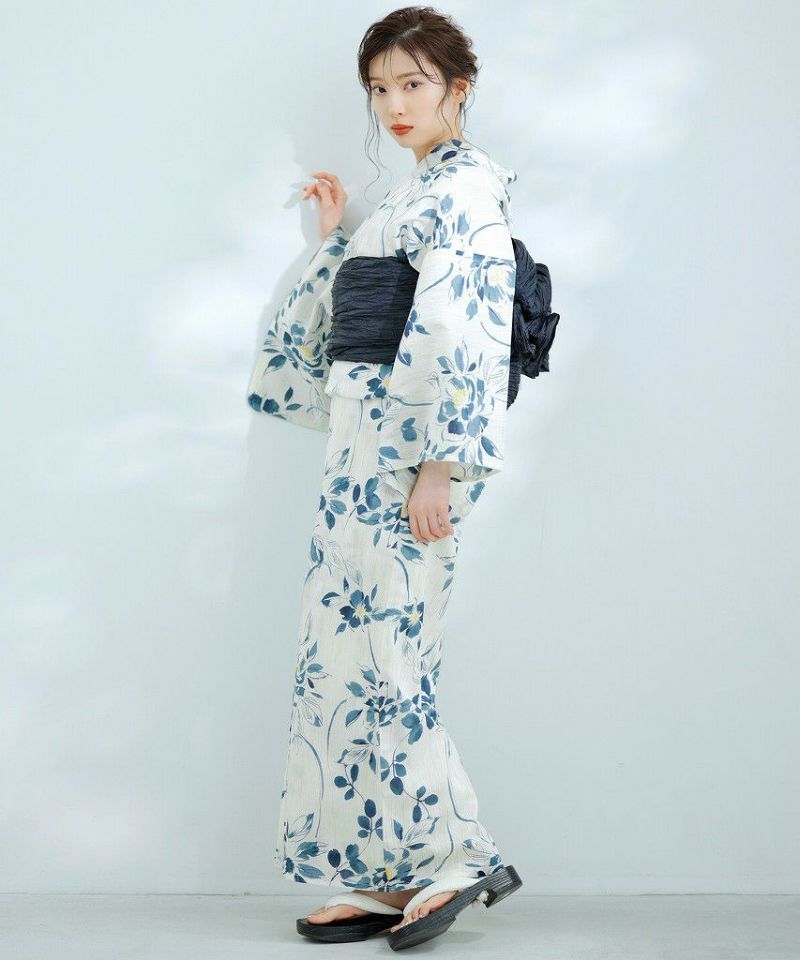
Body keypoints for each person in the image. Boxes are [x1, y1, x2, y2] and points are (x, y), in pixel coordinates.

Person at [247, 6, 523, 949]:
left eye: (413, 83)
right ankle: (383, 870)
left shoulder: (469, 188)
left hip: (414, 457)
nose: (394, 104)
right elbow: (354, 324)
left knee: (393, 653)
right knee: (348, 655)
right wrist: (336, 240)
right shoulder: (413, 193)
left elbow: (465, 326)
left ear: (458, 88)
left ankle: (460, 855)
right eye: (379, 88)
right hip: (363, 451)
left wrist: (441, 466)